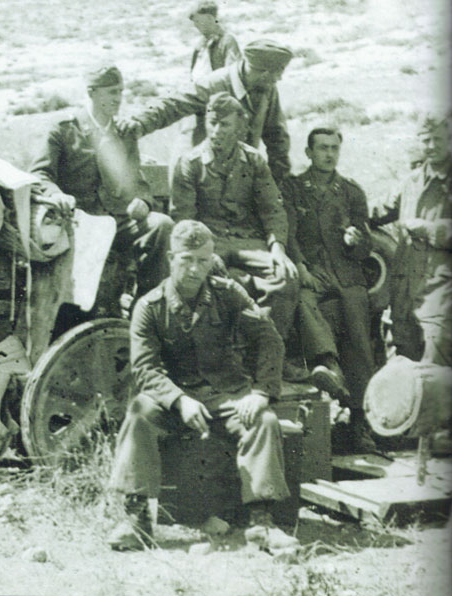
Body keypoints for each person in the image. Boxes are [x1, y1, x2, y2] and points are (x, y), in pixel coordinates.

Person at [107, 220, 298, 552]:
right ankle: (136, 520)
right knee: (139, 412)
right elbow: (145, 369)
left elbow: (269, 340)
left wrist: (261, 393)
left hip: (227, 396)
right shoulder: (149, 307)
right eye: (187, 260)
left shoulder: (229, 294)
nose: (195, 269)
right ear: (171, 258)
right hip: (173, 400)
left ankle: (261, 524)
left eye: (203, 260)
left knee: (264, 421)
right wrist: (179, 400)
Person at [170, 92, 302, 380]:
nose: (216, 130)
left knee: (285, 276)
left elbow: (272, 208)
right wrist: (204, 254)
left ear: (241, 127)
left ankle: (267, 356)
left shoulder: (253, 161)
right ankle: (228, 362)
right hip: (208, 243)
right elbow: (184, 220)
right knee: (216, 282)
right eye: (212, 122)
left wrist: (277, 248)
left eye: (224, 124)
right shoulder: (190, 163)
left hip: (247, 241)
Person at [28, 64, 173, 312]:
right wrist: (56, 194)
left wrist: (143, 201)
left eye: (121, 91)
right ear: (92, 93)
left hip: (118, 221)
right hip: (78, 222)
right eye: (112, 92)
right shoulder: (64, 130)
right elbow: (40, 174)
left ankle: (147, 309)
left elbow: (137, 182)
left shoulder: (124, 134)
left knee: (162, 225)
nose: (119, 99)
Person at [282, 127, 376, 452]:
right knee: (304, 300)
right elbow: (288, 233)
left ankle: (360, 421)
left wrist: (356, 241)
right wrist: (301, 267)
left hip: (346, 273)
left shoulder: (351, 192)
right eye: (322, 148)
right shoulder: (293, 188)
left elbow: (365, 245)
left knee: (358, 332)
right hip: (313, 270)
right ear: (309, 152)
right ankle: (328, 364)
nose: (329, 154)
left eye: (334, 148)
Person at [120, 40, 293, 185]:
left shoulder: (267, 89)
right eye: (277, 73)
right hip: (198, 175)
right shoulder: (213, 84)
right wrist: (141, 121)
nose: (279, 78)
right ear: (264, 73)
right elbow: (173, 104)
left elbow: (277, 136)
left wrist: (279, 181)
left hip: (237, 175)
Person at [372, 114, 452, 367]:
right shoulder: (412, 181)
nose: (432, 145)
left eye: (438, 139)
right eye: (426, 140)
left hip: (441, 287)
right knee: (403, 355)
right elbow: (380, 210)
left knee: (436, 357)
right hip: (405, 286)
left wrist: (431, 230)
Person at [187, 1, 241, 82]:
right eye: (194, 22)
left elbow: (232, 73)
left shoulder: (227, 41)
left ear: (210, 18)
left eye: (198, 21)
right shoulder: (200, 43)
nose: (195, 25)